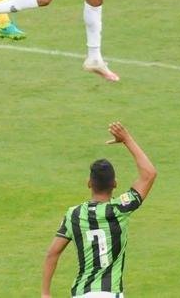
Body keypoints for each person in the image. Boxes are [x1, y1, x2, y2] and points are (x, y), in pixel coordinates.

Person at [41, 122, 157, 298]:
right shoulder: (120, 208)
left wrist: (45, 293)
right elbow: (149, 174)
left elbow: (52, 253)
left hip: (81, 294)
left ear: (89, 183)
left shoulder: (74, 215)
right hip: (110, 293)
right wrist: (126, 139)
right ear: (115, 184)